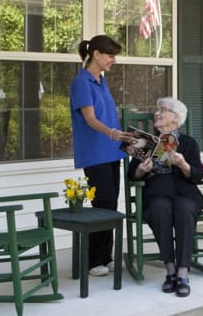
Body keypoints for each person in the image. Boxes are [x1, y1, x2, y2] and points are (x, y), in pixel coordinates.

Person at [127, 97, 203, 297]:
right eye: (157, 109)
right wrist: (141, 169)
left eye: (163, 110)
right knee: (159, 208)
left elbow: (198, 175)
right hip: (156, 194)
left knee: (184, 208)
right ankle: (170, 269)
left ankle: (182, 272)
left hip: (184, 193)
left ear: (175, 117)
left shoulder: (188, 143)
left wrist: (183, 164)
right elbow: (132, 176)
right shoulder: (145, 141)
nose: (157, 113)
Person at [70, 35, 131, 277]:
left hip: (112, 152)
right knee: (101, 206)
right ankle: (93, 260)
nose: (113, 60)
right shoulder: (81, 82)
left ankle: (105, 257)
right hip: (94, 154)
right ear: (96, 54)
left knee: (110, 206)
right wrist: (113, 132)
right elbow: (90, 119)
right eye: (110, 55)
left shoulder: (100, 80)